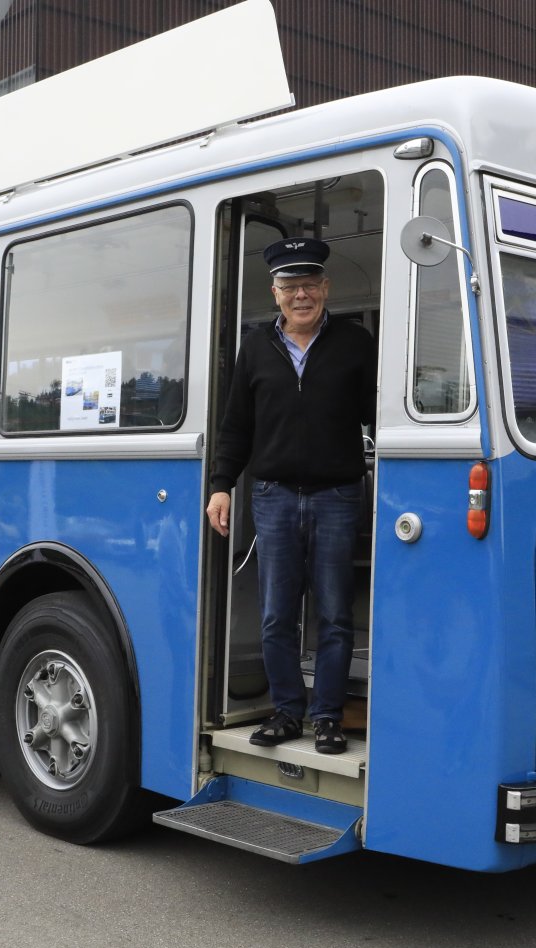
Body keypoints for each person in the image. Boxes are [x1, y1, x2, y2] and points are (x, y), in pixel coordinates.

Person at [206, 238, 377, 755]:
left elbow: (380, 415)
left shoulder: (355, 343)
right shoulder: (256, 347)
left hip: (337, 496)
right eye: (290, 286)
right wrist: (221, 485)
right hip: (274, 496)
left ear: (325, 288)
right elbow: (236, 425)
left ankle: (326, 718)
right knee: (277, 615)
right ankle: (285, 713)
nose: (301, 295)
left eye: (310, 284)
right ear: (275, 293)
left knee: (334, 614)